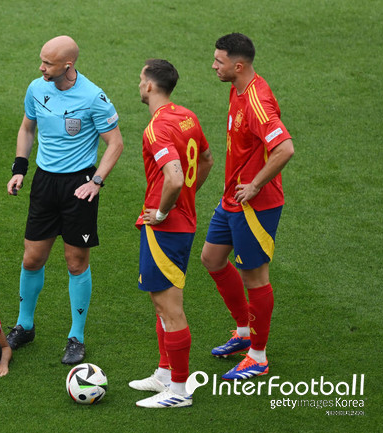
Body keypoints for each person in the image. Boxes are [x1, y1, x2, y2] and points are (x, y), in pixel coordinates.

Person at [5, 35, 124, 364]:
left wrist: (97, 182)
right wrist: (20, 168)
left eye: (48, 63)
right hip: (44, 183)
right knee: (32, 259)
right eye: (41, 60)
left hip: (79, 186)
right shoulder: (36, 88)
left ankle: (76, 336)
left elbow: (115, 143)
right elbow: (27, 128)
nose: (41, 67)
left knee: (76, 262)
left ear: (67, 66)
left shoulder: (93, 97)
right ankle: (25, 326)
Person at [201, 33, 294, 380]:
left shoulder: (257, 102)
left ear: (237, 66)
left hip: (256, 204)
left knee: (254, 277)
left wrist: (255, 184)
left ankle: (258, 355)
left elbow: (285, 148)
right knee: (212, 258)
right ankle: (243, 332)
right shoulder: (236, 88)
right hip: (233, 199)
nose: (213, 66)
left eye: (218, 61)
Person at [128, 60, 213, 408]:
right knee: (159, 302)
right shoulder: (187, 116)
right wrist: (186, 198)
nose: (138, 84)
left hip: (166, 227)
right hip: (182, 221)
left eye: (140, 79)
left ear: (150, 86)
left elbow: (175, 178)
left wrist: (163, 211)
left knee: (170, 306)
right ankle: (165, 373)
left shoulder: (156, 128)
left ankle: (178, 391)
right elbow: (206, 159)